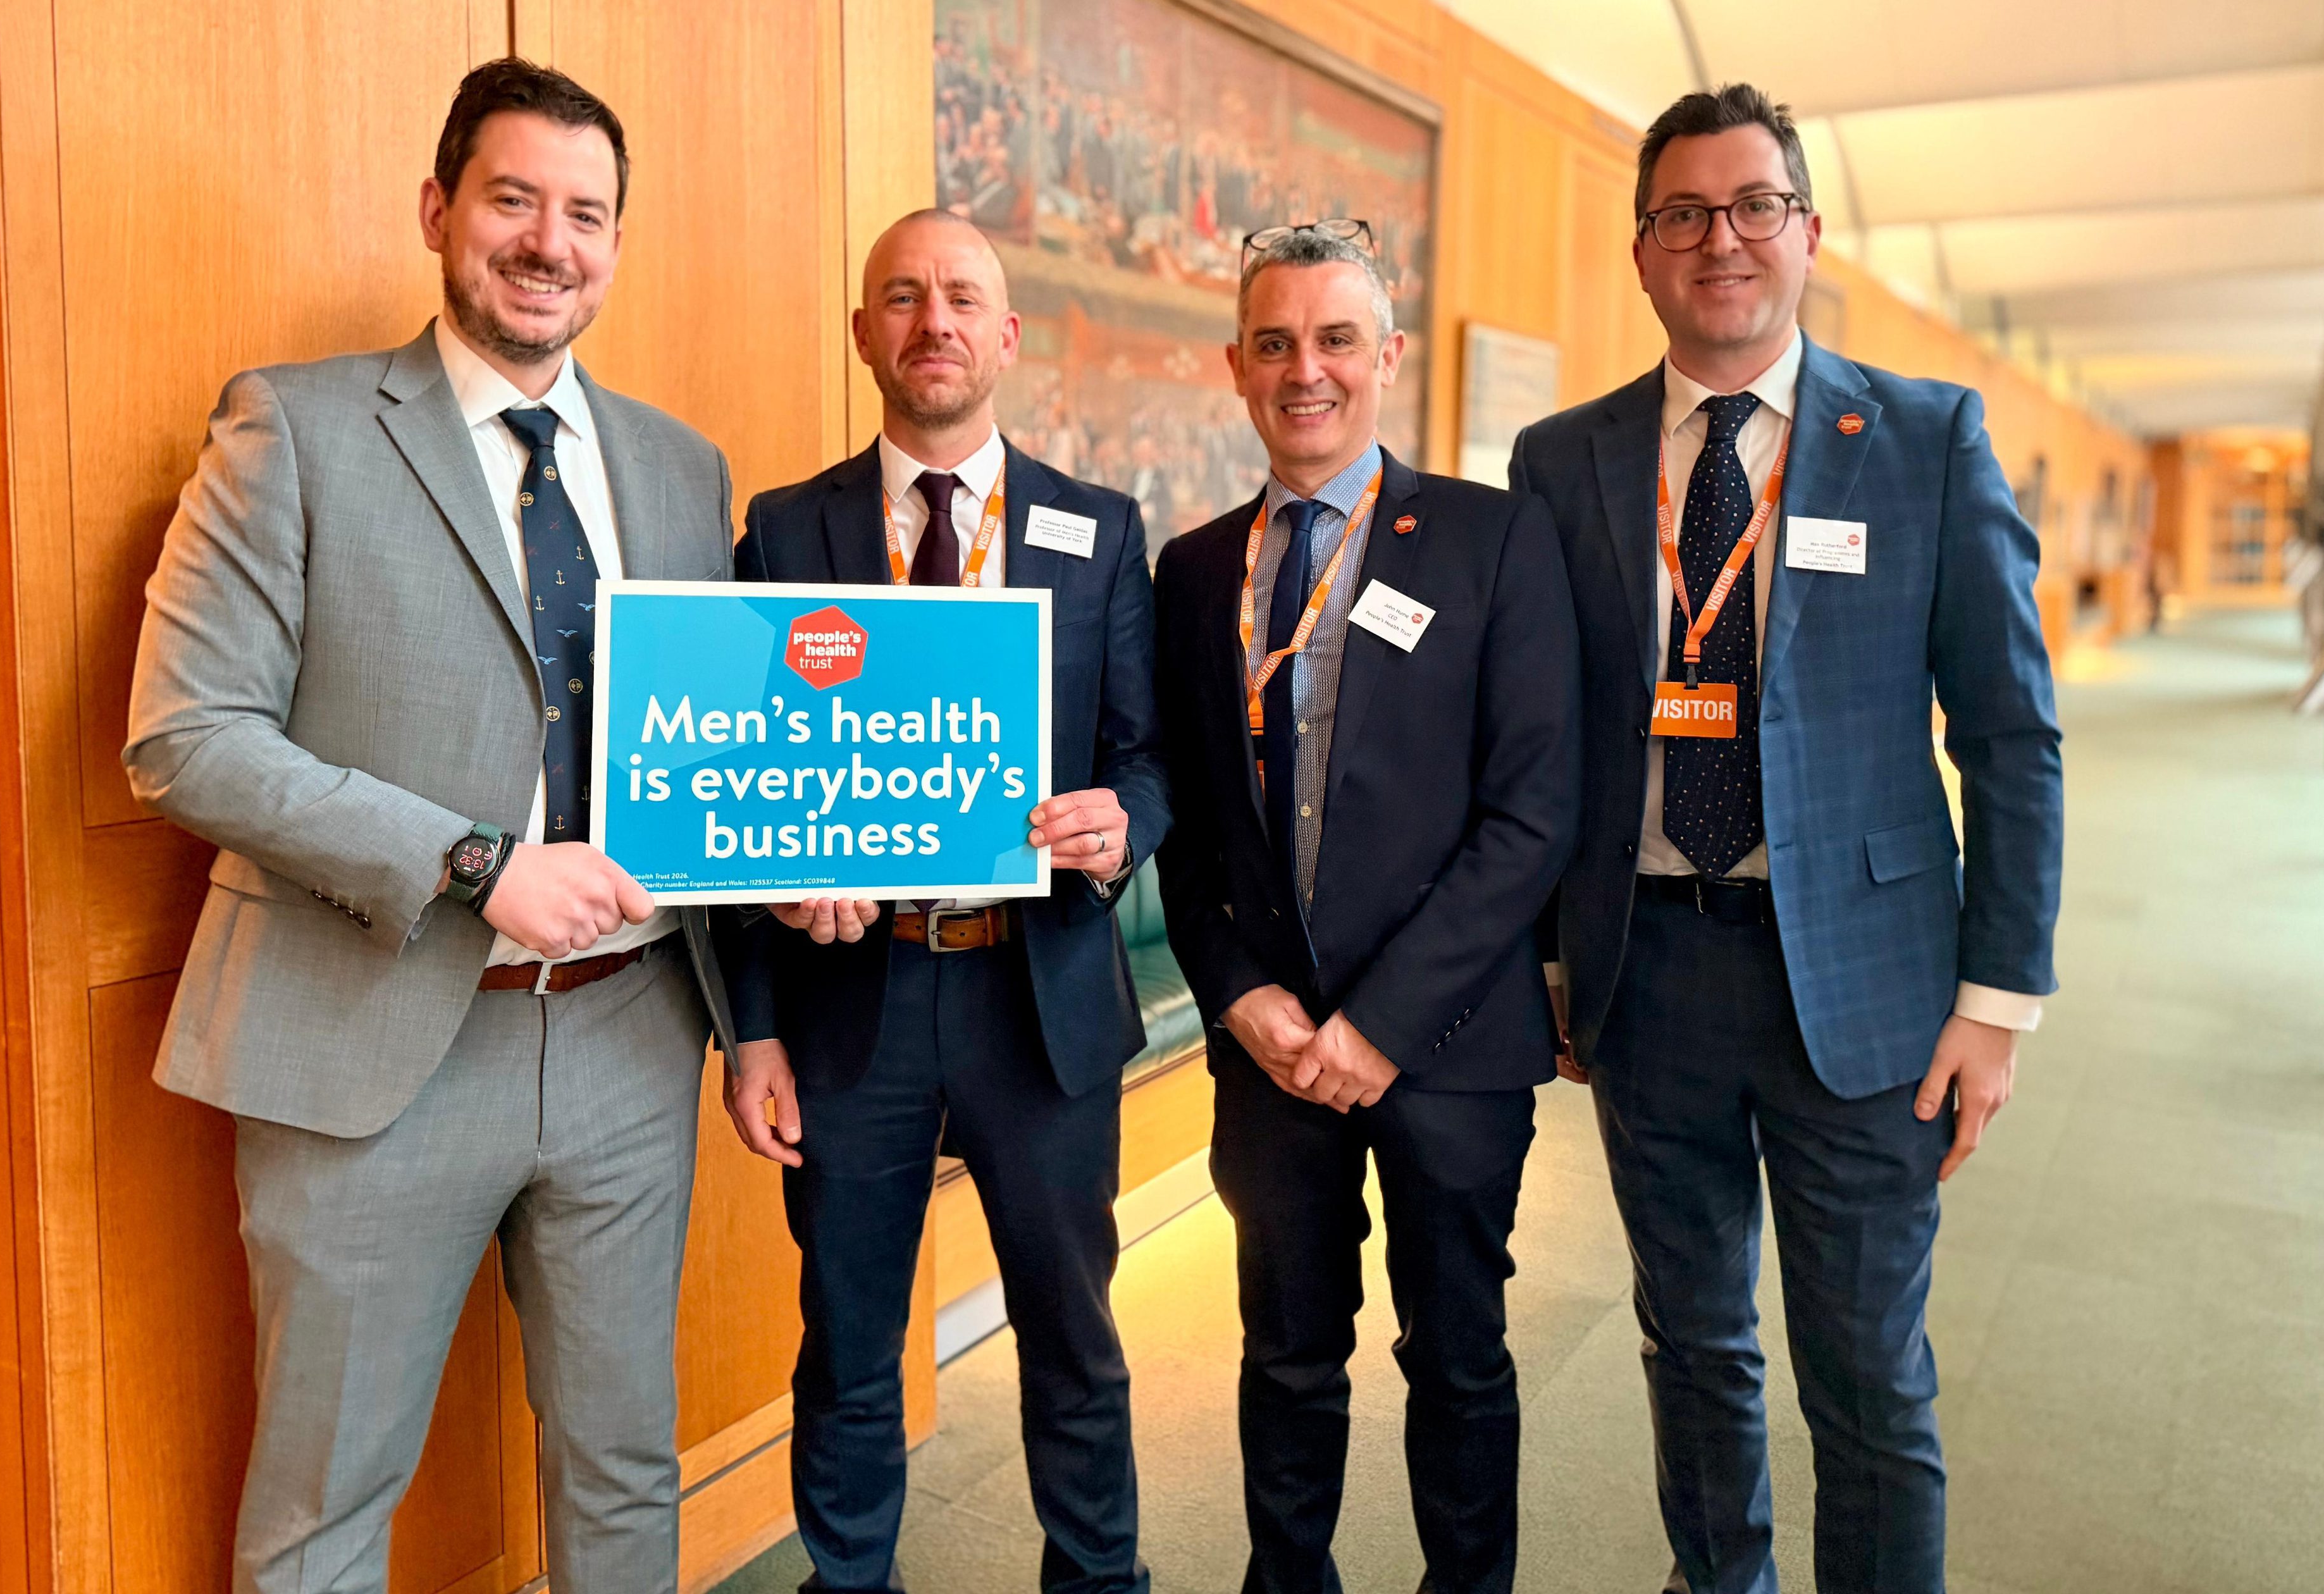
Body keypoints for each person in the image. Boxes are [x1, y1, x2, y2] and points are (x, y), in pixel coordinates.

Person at [123, 58, 739, 1593]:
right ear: (438, 211)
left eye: (586, 214)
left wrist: (808, 872)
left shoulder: (680, 467)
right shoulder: (296, 428)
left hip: (627, 1036)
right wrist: (478, 868)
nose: (549, 242)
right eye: (512, 199)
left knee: (621, 1473)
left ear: (616, 242)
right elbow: (184, 739)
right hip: (369, 1037)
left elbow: (717, 750)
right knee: (328, 1501)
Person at [1510, 84, 2062, 1594]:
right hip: (1645, 975)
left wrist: (1994, 1007)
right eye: (1682, 213)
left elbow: (2009, 735)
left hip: (1871, 991)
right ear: (1640, 253)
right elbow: (1539, 736)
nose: (1721, 240)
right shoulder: (1561, 464)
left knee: (1866, 1380)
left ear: (1807, 234)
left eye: (1753, 206)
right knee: (1690, 1349)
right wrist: (1547, 961)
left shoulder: (1926, 439)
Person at [723, 210, 1170, 1594]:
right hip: (847, 1005)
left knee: (1070, 1333)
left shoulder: (1098, 531)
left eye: (960, 298)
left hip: (1031, 995)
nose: (933, 323)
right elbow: (737, 791)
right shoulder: (783, 531)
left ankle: (1097, 1580)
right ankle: (848, 1580)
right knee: (848, 1337)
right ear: (864, 331)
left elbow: (1147, 762)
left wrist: (1118, 827)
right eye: (902, 298)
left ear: (1005, 335)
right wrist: (750, 1025)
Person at [1153, 221, 1576, 1594]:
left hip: (1448, 1047)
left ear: (1385, 356)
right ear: (1234, 365)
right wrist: (1237, 994)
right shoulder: (1193, 570)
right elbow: (1189, 829)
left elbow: (1530, 818)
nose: (1304, 372)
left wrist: (1380, 1026)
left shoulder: (1494, 540)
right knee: (1284, 1354)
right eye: (1273, 343)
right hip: (1268, 1051)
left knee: (1455, 1357)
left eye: (1335, 340)